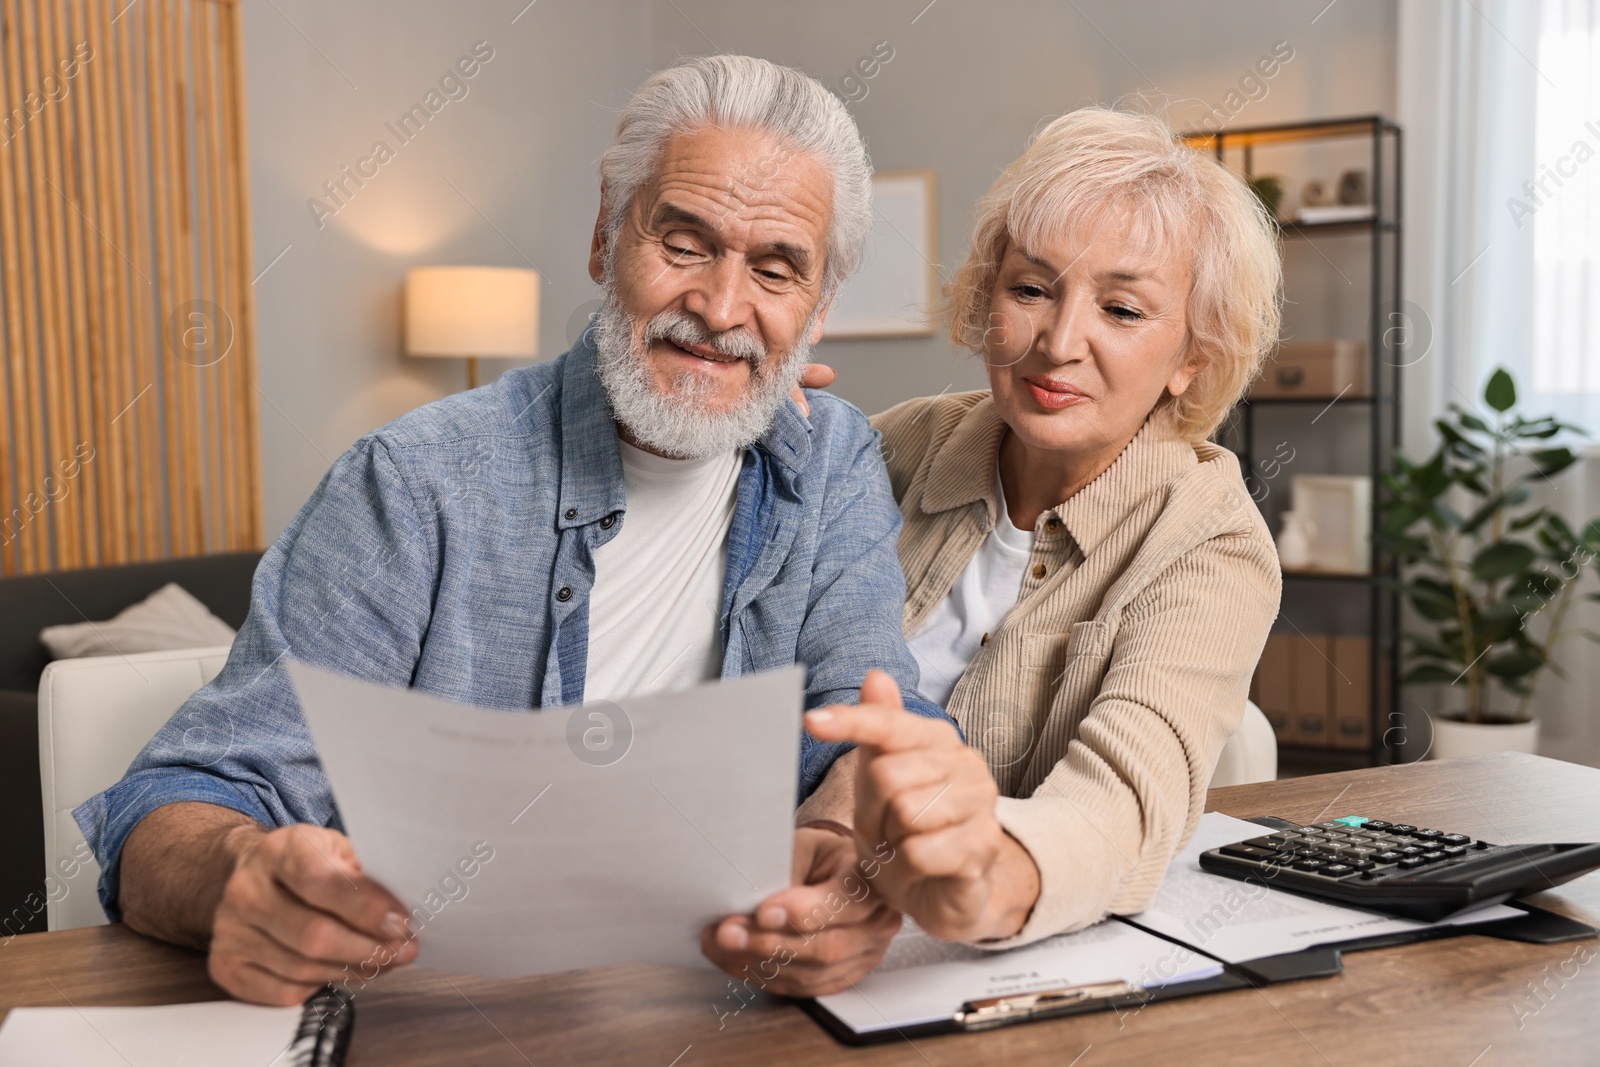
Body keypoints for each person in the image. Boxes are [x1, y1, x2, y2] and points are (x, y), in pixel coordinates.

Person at [74, 55, 954, 1006]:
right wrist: (238, 881)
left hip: (721, 1009)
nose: (721, 308)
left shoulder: (831, 465)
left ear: (817, 312)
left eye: (775, 270)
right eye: (685, 243)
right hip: (441, 1011)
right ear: (604, 242)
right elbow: (175, 804)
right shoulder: (412, 483)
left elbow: (867, 724)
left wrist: (841, 857)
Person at [710, 106, 1282, 975]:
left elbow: (1126, 799)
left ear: (1191, 358)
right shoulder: (892, 447)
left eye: (1122, 309)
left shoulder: (1210, 538)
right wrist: (737, 431)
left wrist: (986, 878)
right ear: (987, 299)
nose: (1058, 343)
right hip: (752, 898)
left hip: (965, 959)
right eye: (1030, 289)